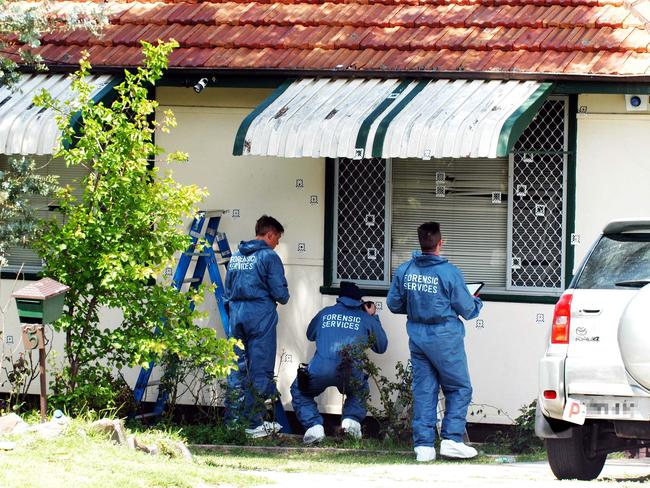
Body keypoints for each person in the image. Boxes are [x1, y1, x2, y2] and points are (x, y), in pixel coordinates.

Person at [387, 222, 482, 462]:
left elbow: (393, 304)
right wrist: (476, 301)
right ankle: (451, 439)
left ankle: (424, 447)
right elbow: (468, 310)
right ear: (440, 243)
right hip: (446, 338)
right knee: (459, 388)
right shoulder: (450, 273)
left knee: (424, 390)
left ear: (421, 243)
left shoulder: (405, 270)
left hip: (417, 338)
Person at [290, 281, 388, 445]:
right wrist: (373, 317)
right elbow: (382, 346)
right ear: (360, 301)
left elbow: (310, 334)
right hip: (350, 371)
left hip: (320, 369)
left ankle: (314, 427)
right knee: (359, 390)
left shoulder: (325, 313)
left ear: (340, 298)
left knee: (300, 390)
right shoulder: (365, 318)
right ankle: (351, 424)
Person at [224, 215, 290, 438]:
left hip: (237, 315)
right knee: (260, 369)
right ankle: (253, 423)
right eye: (278, 238)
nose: (278, 243)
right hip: (260, 315)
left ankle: (233, 422)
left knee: (236, 368)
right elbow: (281, 294)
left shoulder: (235, 256)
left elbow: (227, 289)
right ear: (269, 234)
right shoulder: (268, 257)